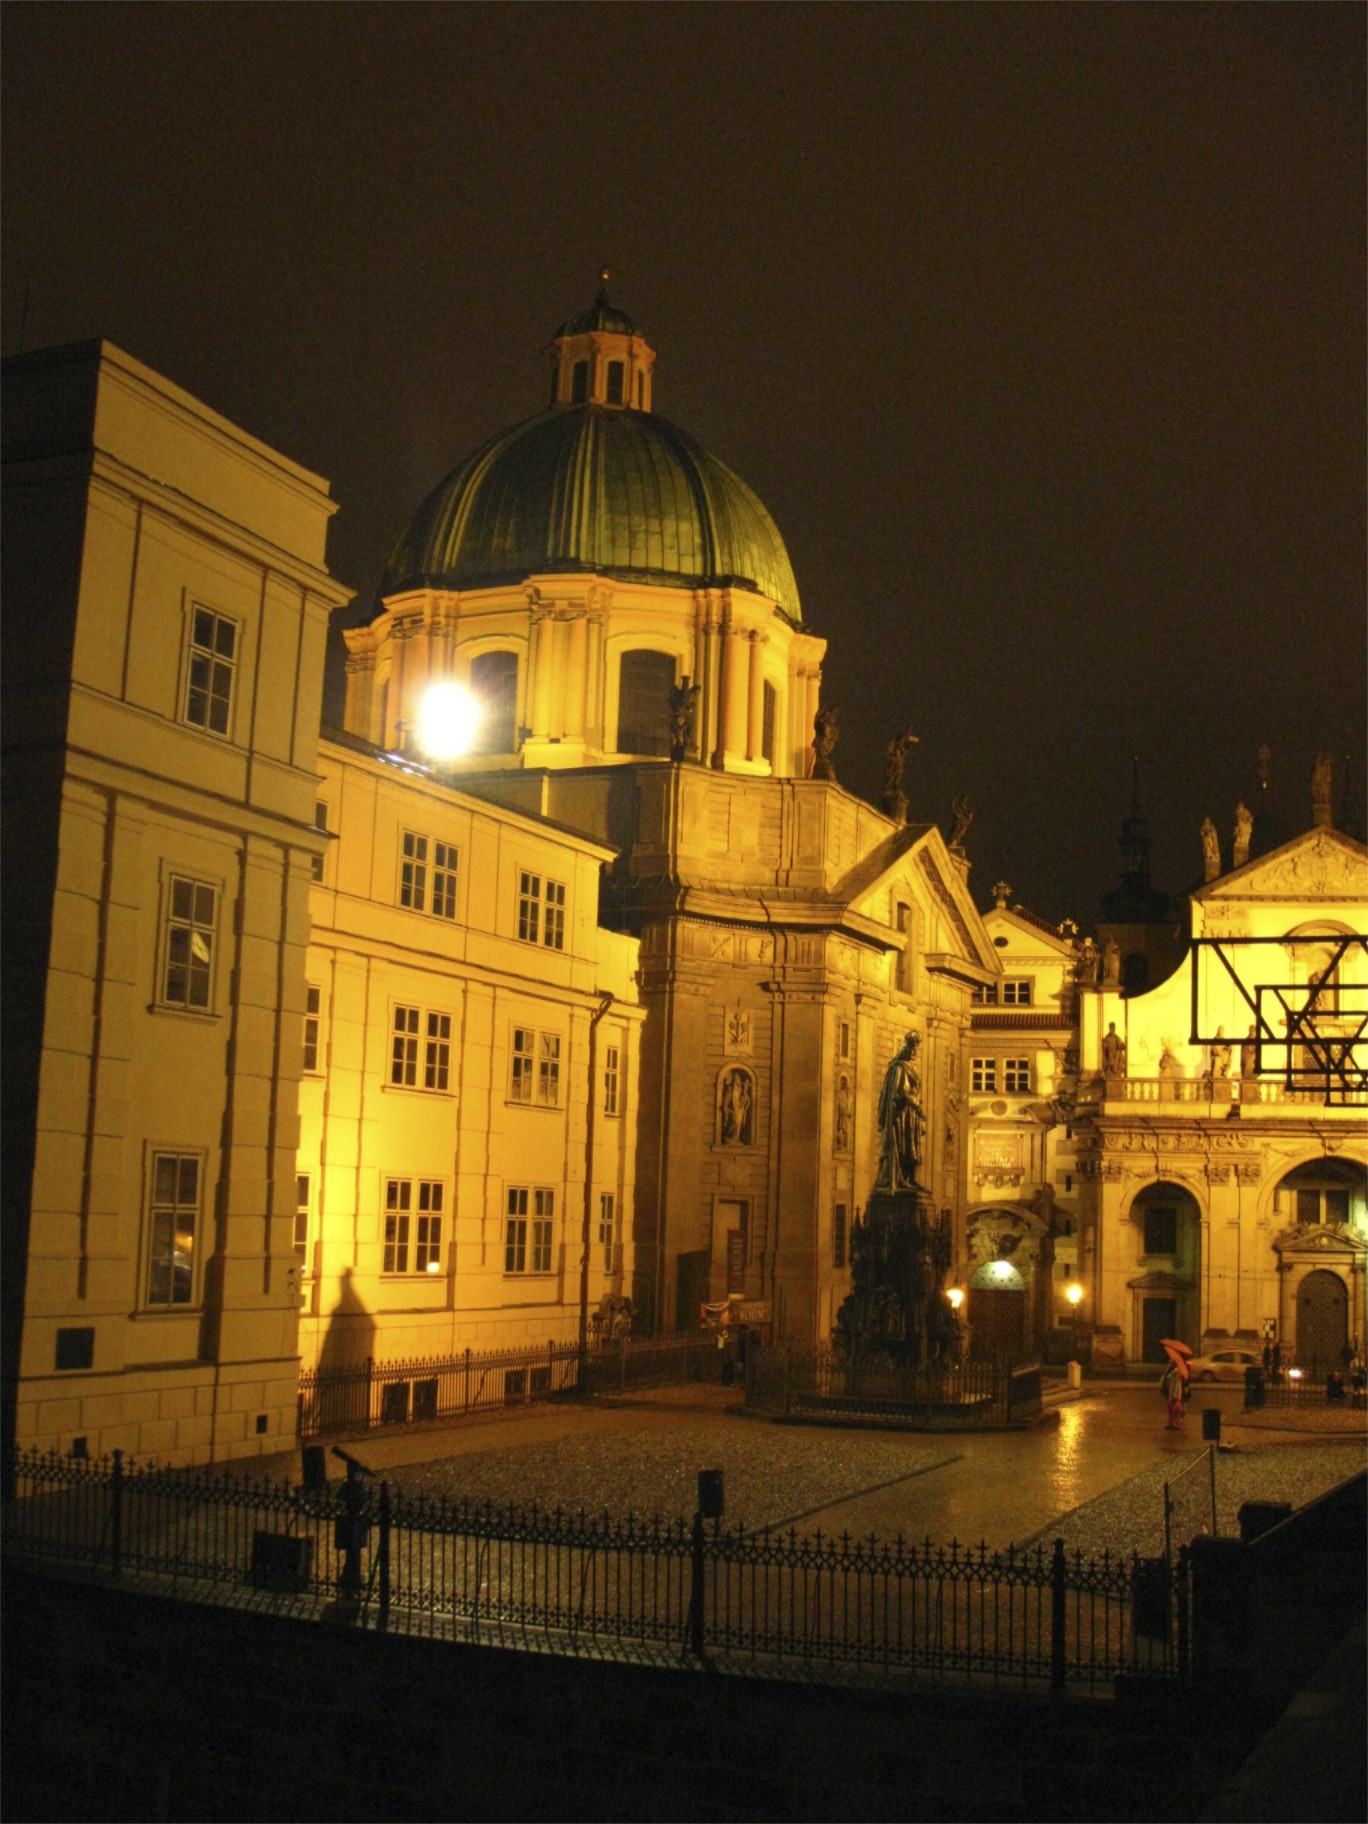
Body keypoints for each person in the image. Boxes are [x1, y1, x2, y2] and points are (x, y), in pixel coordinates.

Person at [875, 1032, 925, 1193]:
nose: (914, 1054)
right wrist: (917, 1105)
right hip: (903, 1115)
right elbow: (901, 1092)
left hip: (910, 1115)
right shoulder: (899, 1068)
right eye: (912, 1050)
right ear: (906, 1049)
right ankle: (901, 1178)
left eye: (916, 1050)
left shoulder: (906, 1067)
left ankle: (912, 1178)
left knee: (913, 1146)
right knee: (904, 1146)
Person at [1161, 1360, 1186, 1429]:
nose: (1170, 1363)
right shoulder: (1170, 1370)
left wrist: (1174, 1396)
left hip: (1174, 1393)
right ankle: (1171, 1423)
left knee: (1175, 1409)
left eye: (1171, 1362)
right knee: (1170, 1409)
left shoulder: (1176, 1371)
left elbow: (1176, 1384)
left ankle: (1176, 1424)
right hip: (1171, 1392)